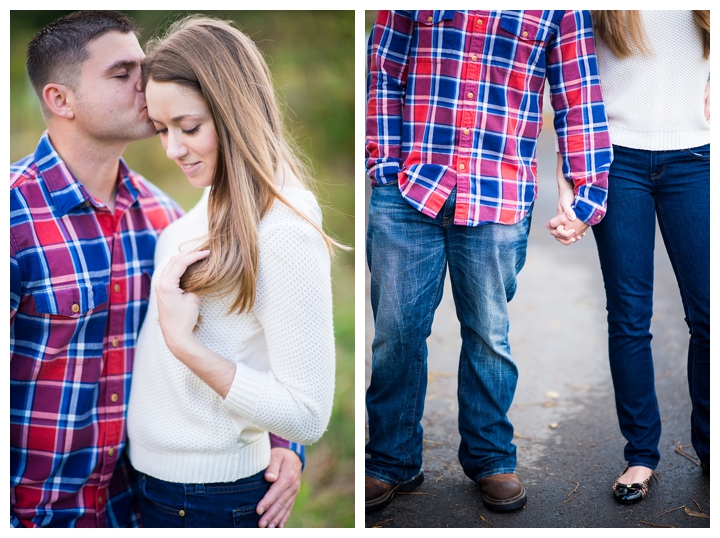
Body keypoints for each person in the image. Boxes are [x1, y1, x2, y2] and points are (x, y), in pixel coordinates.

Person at [10, 11, 304, 528]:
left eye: (142, 69)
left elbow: (243, 335)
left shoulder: (166, 220)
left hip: (141, 507)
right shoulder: (12, 219)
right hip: (32, 516)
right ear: (61, 100)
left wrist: (283, 442)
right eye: (122, 74)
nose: (144, 84)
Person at [365, 10, 612, 514]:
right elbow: (385, 67)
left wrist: (587, 194)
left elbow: (577, 95)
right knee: (396, 332)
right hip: (409, 184)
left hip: (498, 193)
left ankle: (491, 458)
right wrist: (383, 163)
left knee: (488, 333)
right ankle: (390, 461)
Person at [124, 16, 336, 528]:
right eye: (162, 130)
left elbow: (307, 414)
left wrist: (185, 345)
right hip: (152, 485)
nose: (173, 149)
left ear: (234, 111)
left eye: (189, 127)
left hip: (207, 499)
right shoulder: (211, 201)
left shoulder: (284, 231)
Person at [548, 10, 710, 504]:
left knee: (709, 314)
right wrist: (567, 175)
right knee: (629, 316)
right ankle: (641, 455)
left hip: (698, 159)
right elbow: (567, 82)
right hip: (616, 162)